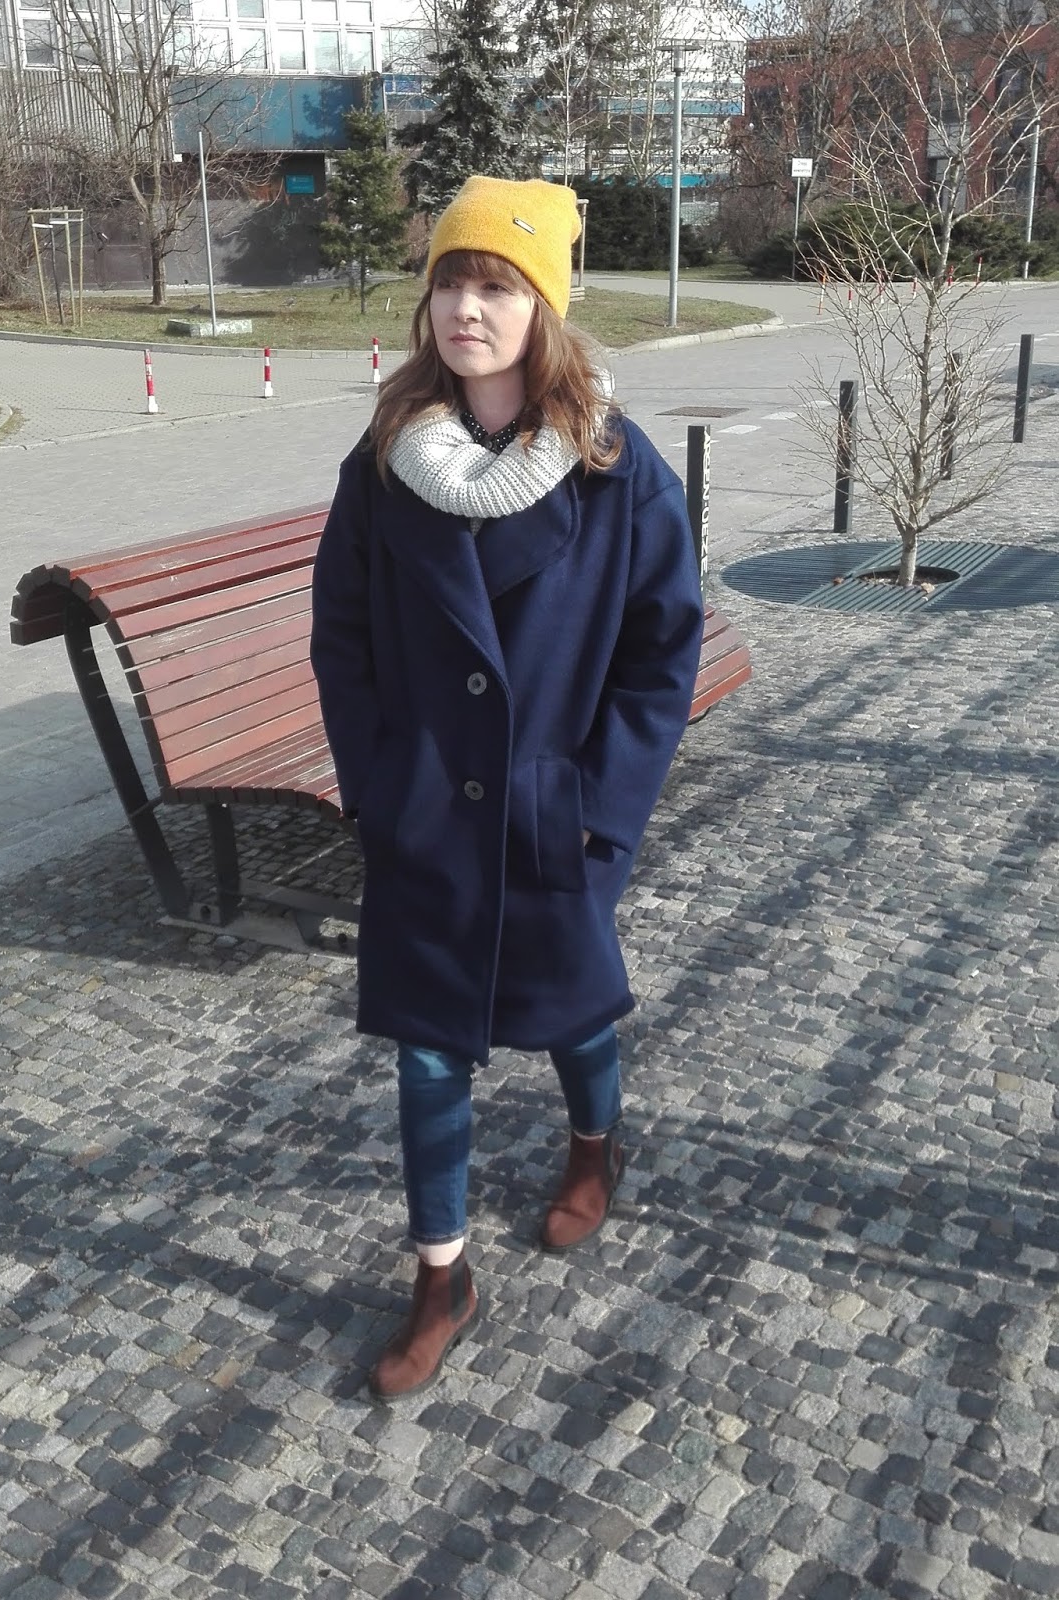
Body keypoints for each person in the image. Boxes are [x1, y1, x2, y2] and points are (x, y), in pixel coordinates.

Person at [310, 175, 704, 1403]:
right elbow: (342, 641)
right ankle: (441, 1275)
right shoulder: (385, 466)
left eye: (496, 284)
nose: (466, 308)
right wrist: (380, 787)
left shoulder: (611, 466)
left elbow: (662, 652)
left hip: (551, 809)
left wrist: (601, 814)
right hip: (427, 811)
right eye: (450, 282)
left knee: (574, 1015)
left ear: (543, 306)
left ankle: (594, 1145)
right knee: (427, 1052)